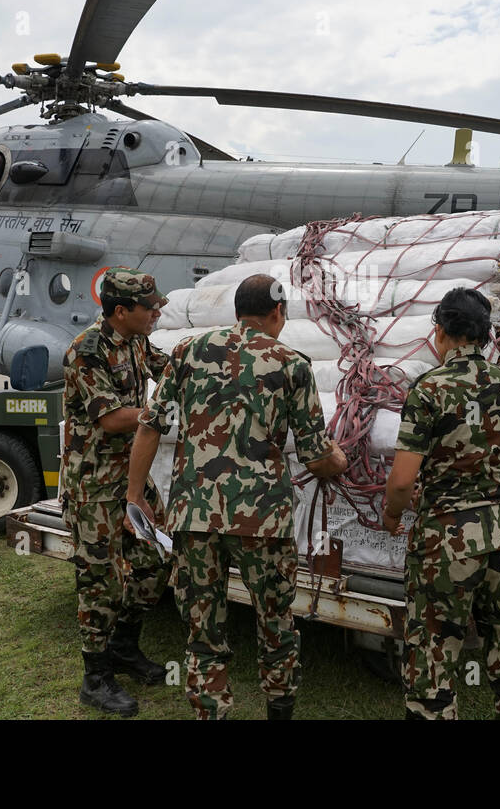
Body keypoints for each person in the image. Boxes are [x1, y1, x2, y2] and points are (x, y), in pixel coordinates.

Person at [126, 274, 347, 720]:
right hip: (262, 522)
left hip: (194, 518)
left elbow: (150, 426)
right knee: (276, 623)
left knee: (202, 629)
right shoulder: (292, 364)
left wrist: (135, 496)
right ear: (277, 314)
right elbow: (315, 455)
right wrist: (341, 461)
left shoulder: (187, 352)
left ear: (236, 312)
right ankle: (279, 711)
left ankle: (211, 712)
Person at [382, 287, 500, 720]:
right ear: (484, 335)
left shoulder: (429, 389)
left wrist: (392, 513)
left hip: (447, 545)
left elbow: (402, 480)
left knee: (434, 660)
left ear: (440, 332)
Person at [61, 267, 173, 717]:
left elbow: (173, 369)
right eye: (151, 307)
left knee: (154, 563)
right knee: (100, 581)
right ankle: (96, 678)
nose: (158, 312)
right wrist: (165, 413)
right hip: (94, 487)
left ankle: (125, 649)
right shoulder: (86, 351)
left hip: (132, 477)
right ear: (122, 311)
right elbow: (110, 418)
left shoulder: (136, 340)